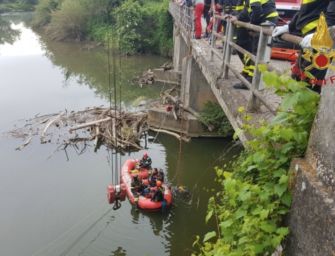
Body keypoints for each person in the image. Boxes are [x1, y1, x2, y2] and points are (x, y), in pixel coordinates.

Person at [272, 0, 335, 93]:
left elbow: (332, 14)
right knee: (297, 80)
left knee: (311, 86)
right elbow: (304, 11)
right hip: (308, 41)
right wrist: (289, 27)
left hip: (321, 44)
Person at [232, 0, 278, 90]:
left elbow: (256, 9)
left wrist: (252, 26)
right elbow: (248, 10)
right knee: (253, 49)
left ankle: (251, 81)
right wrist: (237, 17)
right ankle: (248, 74)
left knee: (257, 51)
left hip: (266, 21)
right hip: (265, 19)